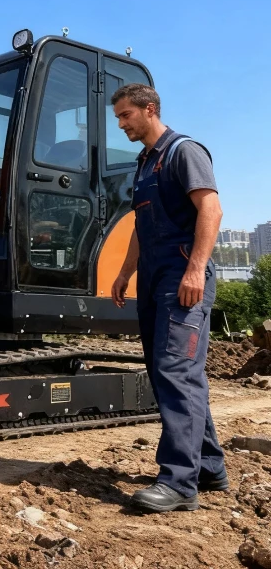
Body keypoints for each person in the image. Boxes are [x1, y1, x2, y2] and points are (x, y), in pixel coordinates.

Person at [110, 83, 226, 513]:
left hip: (182, 275)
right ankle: (210, 467)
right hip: (154, 278)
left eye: (126, 116)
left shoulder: (184, 151)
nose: (121, 124)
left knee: (177, 371)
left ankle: (179, 484)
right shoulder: (144, 164)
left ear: (149, 109)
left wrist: (195, 269)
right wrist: (125, 272)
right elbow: (141, 228)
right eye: (118, 117)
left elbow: (211, 210)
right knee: (167, 373)